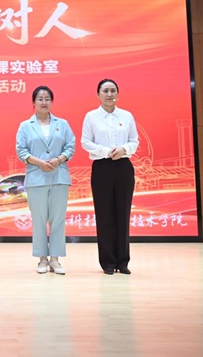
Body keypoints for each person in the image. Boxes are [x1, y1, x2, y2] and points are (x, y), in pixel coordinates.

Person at [81, 78, 139, 275]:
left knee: (122, 214)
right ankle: (107, 262)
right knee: (104, 215)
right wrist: (106, 151)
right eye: (105, 91)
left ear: (118, 94)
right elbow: (86, 142)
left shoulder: (127, 116)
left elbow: (134, 141)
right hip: (102, 167)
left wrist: (124, 149)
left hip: (123, 166)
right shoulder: (91, 117)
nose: (109, 94)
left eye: (113, 90)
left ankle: (123, 261)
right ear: (98, 95)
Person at [15, 86, 76, 275]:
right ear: (34, 102)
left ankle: (55, 259)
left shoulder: (62, 124)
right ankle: (42, 258)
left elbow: (70, 146)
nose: (44, 102)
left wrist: (59, 159)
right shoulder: (26, 126)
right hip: (36, 177)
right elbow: (21, 151)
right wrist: (39, 162)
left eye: (47, 99)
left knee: (57, 219)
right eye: (40, 99)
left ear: (52, 101)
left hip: (59, 176)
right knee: (39, 220)